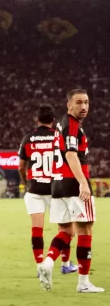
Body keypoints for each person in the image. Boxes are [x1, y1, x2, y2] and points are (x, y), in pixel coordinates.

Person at [38, 90, 103, 293]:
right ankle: (83, 283)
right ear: (69, 105)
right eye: (79, 103)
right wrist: (83, 183)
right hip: (74, 184)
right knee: (85, 230)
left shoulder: (60, 125)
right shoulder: (72, 125)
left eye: (86, 102)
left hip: (57, 184)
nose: (83, 107)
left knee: (66, 231)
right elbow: (71, 155)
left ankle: (48, 262)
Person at [18, 106, 78, 277]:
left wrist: (27, 182)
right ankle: (65, 264)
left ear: (37, 120)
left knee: (37, 229)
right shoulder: (58, 138)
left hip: (34, 189)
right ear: (53, 121)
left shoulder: (27, 139)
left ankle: (39, 266)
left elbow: (21, 167)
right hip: (56, 189)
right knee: (66, 229)